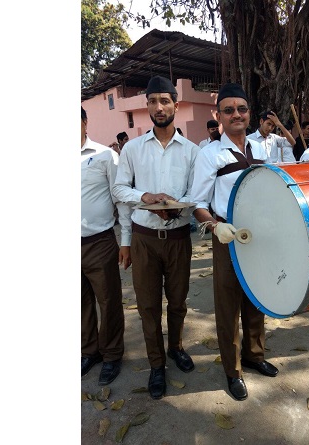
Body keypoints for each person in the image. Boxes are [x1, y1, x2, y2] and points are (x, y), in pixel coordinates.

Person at [189, 82, 279, 401]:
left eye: (241, 109)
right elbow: (197, 203)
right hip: (228, 237)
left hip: (259, 237)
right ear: (219, 116)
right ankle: (233, 370)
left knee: (256, 298)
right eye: (228, 110)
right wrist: (215, 227)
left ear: (249, 113)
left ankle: (255, 355)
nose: (236, 114)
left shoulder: (260, 149)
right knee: (228, 306)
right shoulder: (209, 154)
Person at [112, 76, 200, 400]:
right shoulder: (133, 149)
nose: (158, 107)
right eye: (152, 101)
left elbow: (196, 194)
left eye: (164, 101)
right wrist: (146, 197)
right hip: (144, 239)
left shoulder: (192, 151)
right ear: (147, 106)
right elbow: (119, 190)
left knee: (177, 302)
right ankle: (156, 364)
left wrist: (176, 209)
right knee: (148, 306)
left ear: (176, 104)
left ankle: (175, 347)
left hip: (178, 238)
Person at [81, 106, 130, 386]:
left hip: (99, 241)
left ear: (85, 122)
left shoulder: (105, 155)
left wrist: (126, 240)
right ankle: (89, 351)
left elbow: (120, 198)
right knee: (81, 301)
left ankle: (111, 354)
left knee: (108, 300)